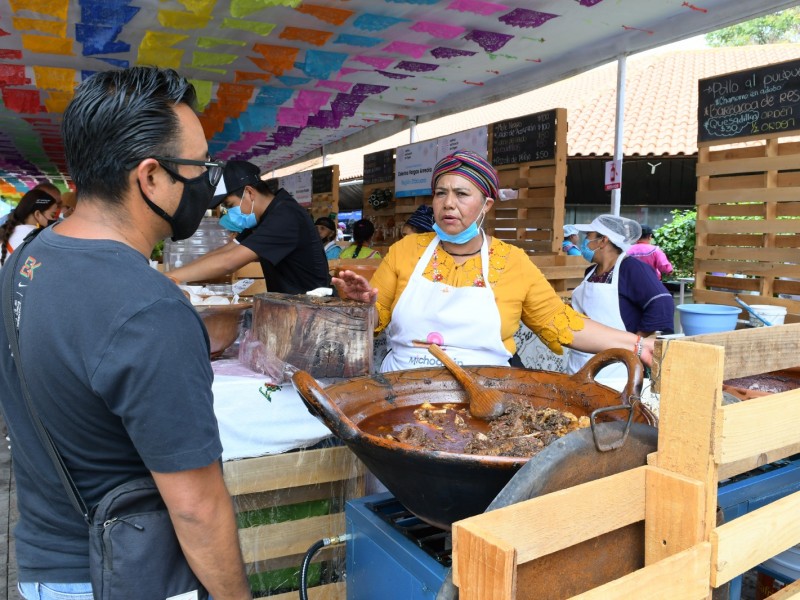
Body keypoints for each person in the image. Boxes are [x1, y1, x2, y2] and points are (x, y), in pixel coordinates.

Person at [0, 66, 251, 599]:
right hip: (115, 574)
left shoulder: (27, 257)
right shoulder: (148, 309)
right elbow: (197, 508)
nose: (207, 182)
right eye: (201, 165)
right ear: (151, 176)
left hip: (46, 564)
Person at [332, 149, 656, 373]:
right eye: (440, 193)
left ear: (486, 205)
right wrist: (362, 306)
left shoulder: (512, 262)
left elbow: (561, 324)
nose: (448, 204)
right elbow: (375, 321)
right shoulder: (406, 250)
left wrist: (637, 345)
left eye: (462, 194)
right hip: (399, 391)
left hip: (485, 396)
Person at [166, 160, 329, 294]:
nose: (227, 212)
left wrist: (166, 279)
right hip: (291, 309)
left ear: (250, 193)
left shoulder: (286, 217)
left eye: (229, 205)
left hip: (314, 311)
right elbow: (227, 250)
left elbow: (228, 262)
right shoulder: (265, 216)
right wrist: (173, 276)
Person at [567, 215, 674, 378]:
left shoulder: (632, 269)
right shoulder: (590, 272)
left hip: (616, 367)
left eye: (588, 237)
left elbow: (662, 303)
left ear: (603, 240)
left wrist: (637, 340)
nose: (584, 243)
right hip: (580, 360)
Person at [0, 188, 58, 266]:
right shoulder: (39, 239)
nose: (55, 219)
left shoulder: (8, 232)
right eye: (53, 215)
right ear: (37, 214)